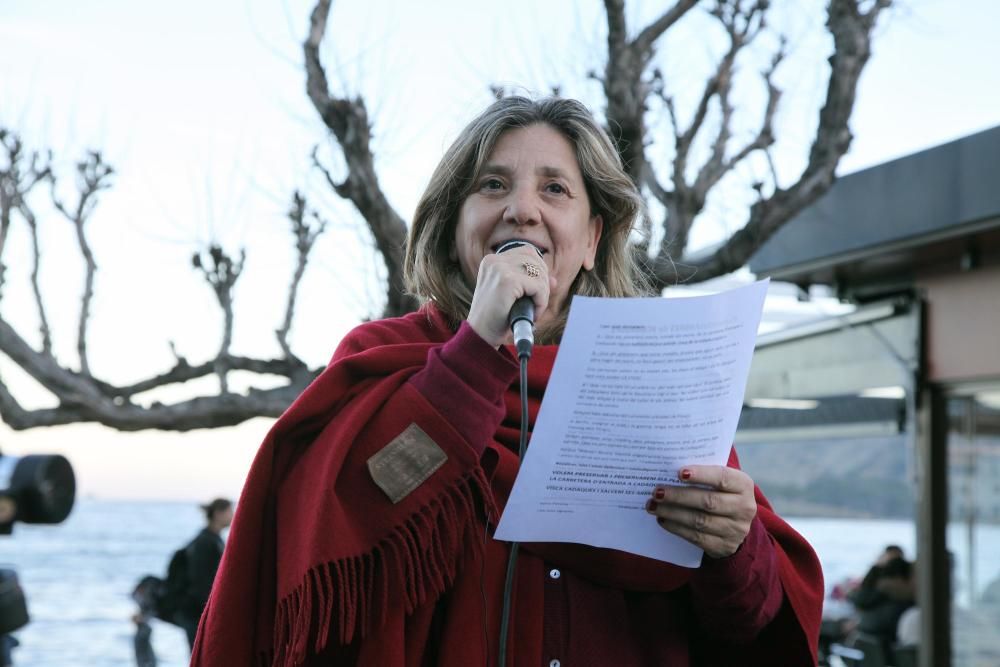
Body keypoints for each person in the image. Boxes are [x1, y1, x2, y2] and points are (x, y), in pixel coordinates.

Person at [191, 96, 823, 666]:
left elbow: (751, 626)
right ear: (454, 223)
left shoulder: (658, 379)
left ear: (594, 239)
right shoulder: (384, 357)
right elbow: (342, 529)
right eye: (493, 185)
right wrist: (476, 350)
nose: (522, 209)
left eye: (555, 190)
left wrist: (733, 547)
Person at [175, 497, 233, 649]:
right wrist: (213, 612)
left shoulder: (213, 539)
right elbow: (201, 580)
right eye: (229, 511)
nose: (233, 515)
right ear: (218, 514)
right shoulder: (205, 542)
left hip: (199, 612)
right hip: (196, 613)